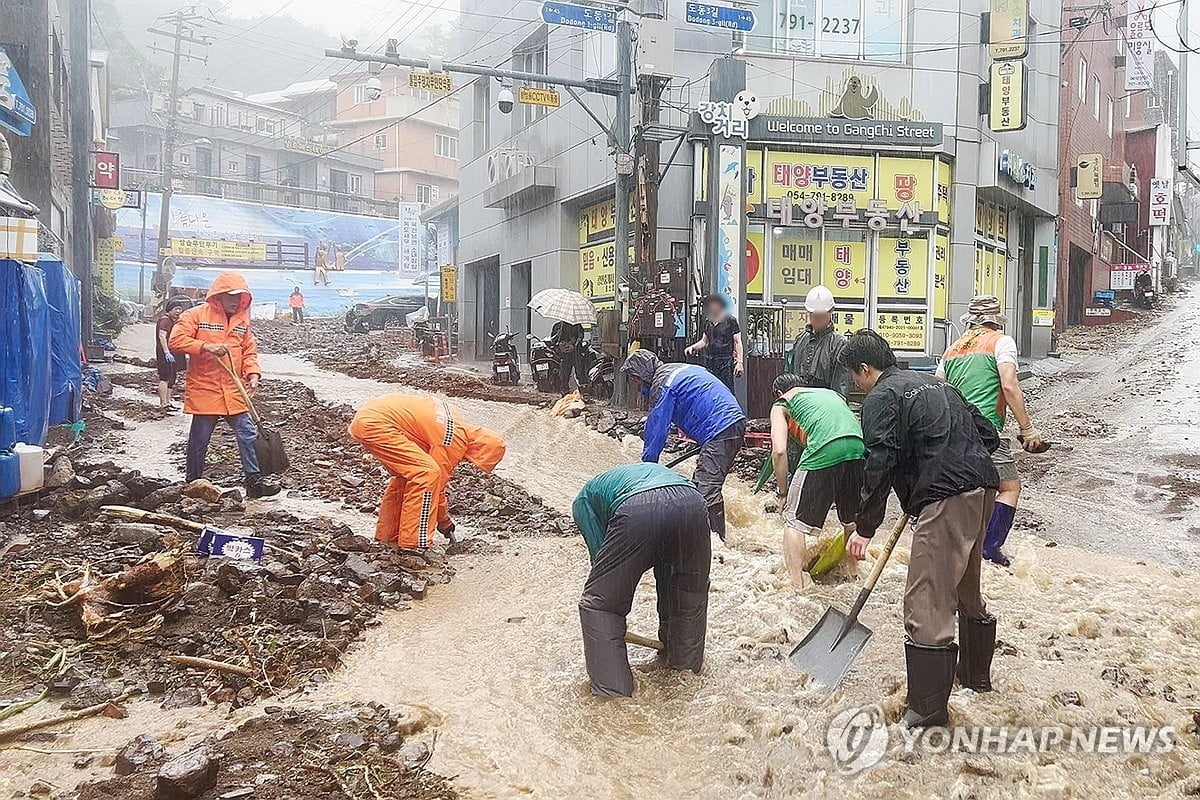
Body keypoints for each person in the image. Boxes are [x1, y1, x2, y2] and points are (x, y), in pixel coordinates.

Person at [841, 330, 1000, 728]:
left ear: (865, 369)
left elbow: (879, 461)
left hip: (944, 497)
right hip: (982, 489)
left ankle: (927, 713)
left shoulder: (881, 397)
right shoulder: (937, 384)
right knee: (964, 586)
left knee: (925, 600)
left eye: (854, 377)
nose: (855, 386)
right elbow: (989, 435)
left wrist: (864, 527)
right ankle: (974, 678)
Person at [573, 463, 711, 697]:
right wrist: (669, 624)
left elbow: (602, 564)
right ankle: (685, 676)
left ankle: (613, 699)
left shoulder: (583, 502)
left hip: (638, 508)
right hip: (694, 505)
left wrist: (612, 622)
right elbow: (668, 570)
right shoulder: (639, 477)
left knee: (599, 607)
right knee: (690, 593)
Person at [937, 295, 1045, 567]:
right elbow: (1009, 386)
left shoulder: (952, 349)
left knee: (966, 490)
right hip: (986, 432)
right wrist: (1027, 429)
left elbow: (939, 389)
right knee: (1008, 487)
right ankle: (989, 548)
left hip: (952, 432)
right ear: (995, 320)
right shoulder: (1001, 342)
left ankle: (956, 548)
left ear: (970, 321)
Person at [169, 272, 281, 498]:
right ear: (218, 295)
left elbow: (249, 351)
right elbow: (176, 340)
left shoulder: (242, 321)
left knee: (248, 434)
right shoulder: (196, 315)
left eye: (239, 296)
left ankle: (254, 482)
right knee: (199, 440)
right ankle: (193, 482)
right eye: (230, 295)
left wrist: (253, 374)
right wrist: (205, 347)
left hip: (233, 389)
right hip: (206, 388)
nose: (235, 300)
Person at [347, 393, 506, 551]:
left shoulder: (453, 420)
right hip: (378, 425)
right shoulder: (453, 439)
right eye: (474, 459)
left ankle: (388, 537)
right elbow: (437, 487)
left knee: (407, 476)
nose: (468, 461)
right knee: (427, 474)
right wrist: (444, 521)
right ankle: (414, 542)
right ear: (479, 450)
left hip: (370, 417)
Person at [621, 349, 746, 541]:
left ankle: (715, 545)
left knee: (705, 488)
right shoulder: (676, 369)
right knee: (705, 484)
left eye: (634, 379)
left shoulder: (662, 385)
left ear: (641, 375)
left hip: (720, 427)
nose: (636, 385)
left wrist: (647, 467)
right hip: (730, 421)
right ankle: (712, 540)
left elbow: (657, 428)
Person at [769, 373, 866, 587]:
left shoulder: (782, 403)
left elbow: (779, 451)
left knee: (794, 522)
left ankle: (797, 585)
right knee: (850, 521)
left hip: (824, 449)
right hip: (858, 449)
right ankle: (852, 577)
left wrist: (783, 493)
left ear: (778, 394)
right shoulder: (830, 394)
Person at [787, 285, 851, 399]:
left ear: (831, 311)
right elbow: (790, 375)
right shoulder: (800, 339)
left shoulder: (839, 344)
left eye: (821, 315)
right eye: (813, 314)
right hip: (799, 405)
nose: (816, 318)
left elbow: (841, 386)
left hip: (824, 407)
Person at [684, 294, 744, 391]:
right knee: (711, 388)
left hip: (725, 361)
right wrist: (693, 347)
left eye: (713, 304)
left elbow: (737, 342)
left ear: (720, 305)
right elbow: (704, 341)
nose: (711, 307)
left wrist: (739, 363)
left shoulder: (730, 320)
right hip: (710, 361)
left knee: (726, 389)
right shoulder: (709, 322)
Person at [155, 297, 190, 412]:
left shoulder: (175, 321)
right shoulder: (165, 320)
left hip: (174, 353)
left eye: (180, 309)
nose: (178, 311)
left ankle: (168, 402)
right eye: (176, 308)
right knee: (164, 377)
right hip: (166, 353)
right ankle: (163, 403)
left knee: (172, 378)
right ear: (170, 309)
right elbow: (162, 336)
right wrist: (166, 352)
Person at [550, 320, 587, 391]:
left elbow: (580, 337)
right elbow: (553, 341)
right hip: (563, 355)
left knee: (580, 373)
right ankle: (564, 392)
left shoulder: (577, 326)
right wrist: (557, 335)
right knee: (564, 375)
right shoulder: (557, 326)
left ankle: (583, 391)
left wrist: (574, 346)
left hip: (576, 354)